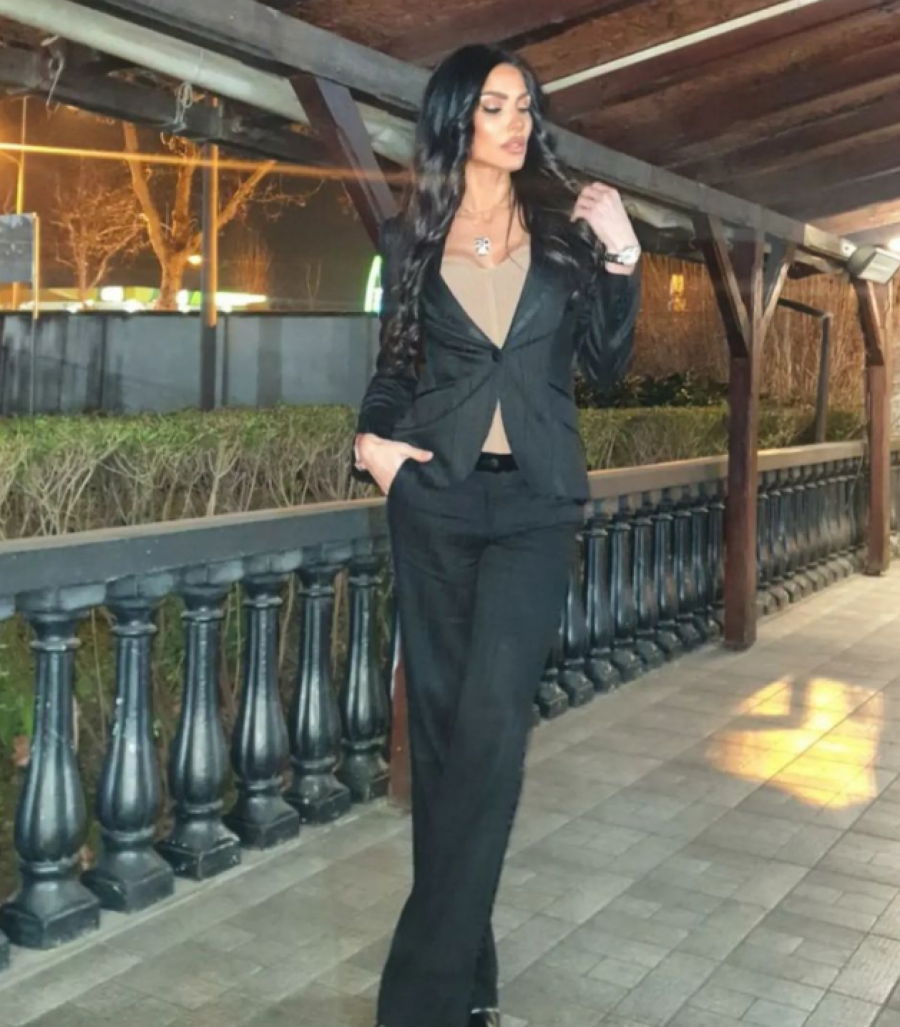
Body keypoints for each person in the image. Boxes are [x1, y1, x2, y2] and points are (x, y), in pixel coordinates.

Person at [351, 44, 641, 1027]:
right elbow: (396, 367)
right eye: (495, 106)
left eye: (524, 107)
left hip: (533, 510)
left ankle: (417, 1003)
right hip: (434, 501)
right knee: (442, 747)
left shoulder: (561, 238)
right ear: (456, 120)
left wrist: (623, 256)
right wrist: (373, 446)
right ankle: (469, 987)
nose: (517, 123)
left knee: (490, 733)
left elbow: (606, 366)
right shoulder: (410, 239)